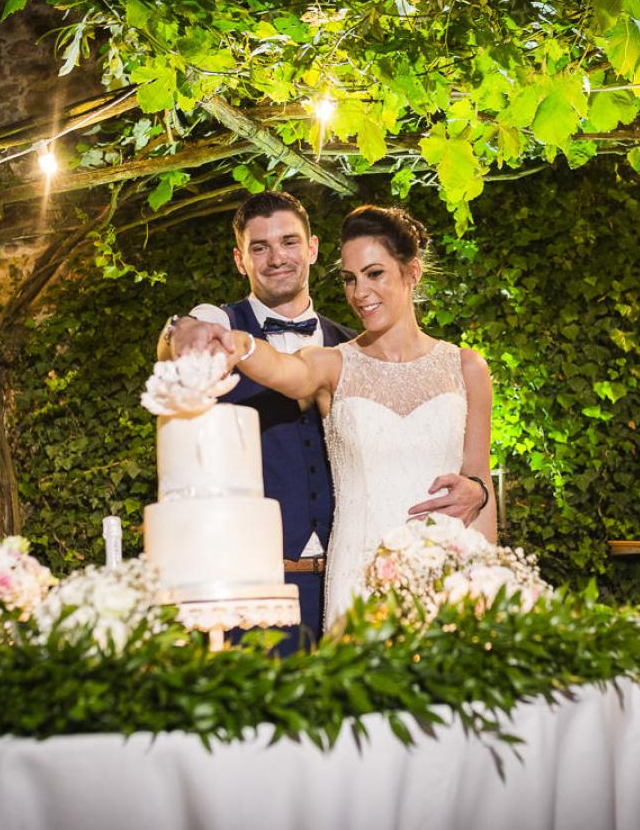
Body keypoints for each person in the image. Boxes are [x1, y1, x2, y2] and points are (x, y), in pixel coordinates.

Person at [160, 192, 490, 650]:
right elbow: (195, 351)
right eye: (260, 247)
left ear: (312, 248)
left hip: (388, 575)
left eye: (289, 242)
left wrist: (481, 495)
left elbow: (477, 479)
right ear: (240, 259)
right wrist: (202, 331)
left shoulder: (355, 346)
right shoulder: (307, 355)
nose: (277, 257)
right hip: (261, 587)